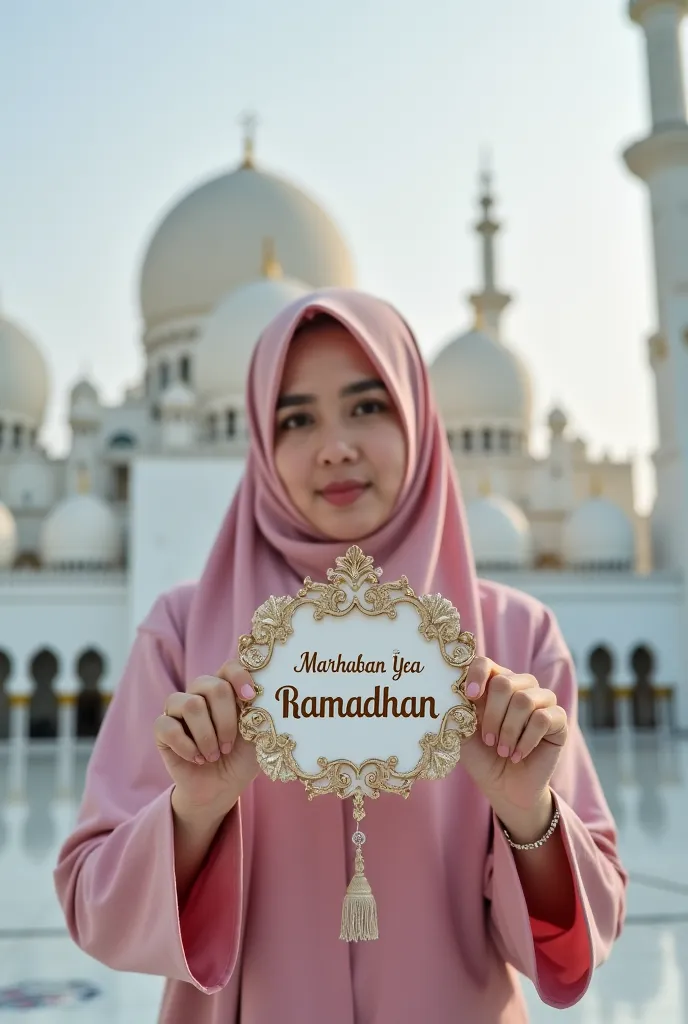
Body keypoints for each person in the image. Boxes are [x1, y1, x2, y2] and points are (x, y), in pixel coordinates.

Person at [54, 289, 627, 1023]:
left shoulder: (512, 642)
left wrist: (528, 816)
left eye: (367, 407)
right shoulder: (185, 632)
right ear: (260, 441)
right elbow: (90, 899)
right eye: (296, 419)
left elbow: (584, 926)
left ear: (419, 418)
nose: (335, 447)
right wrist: (193, 813)